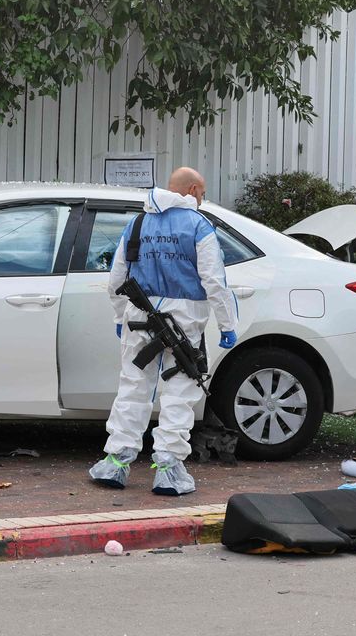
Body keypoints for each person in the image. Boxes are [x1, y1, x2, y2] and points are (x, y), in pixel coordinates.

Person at [89, 167, 239, 496]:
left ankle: (116, 463)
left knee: (132, 388)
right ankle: (168, 470)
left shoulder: (138, 223)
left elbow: (116, 280)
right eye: (202, 192)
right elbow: (215, 282)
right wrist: (228, 325)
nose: (202, 198)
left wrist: (120, 316)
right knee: (180, 392)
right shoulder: (199, 226)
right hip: (185, 321)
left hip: (140, 316)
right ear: (194, 189)